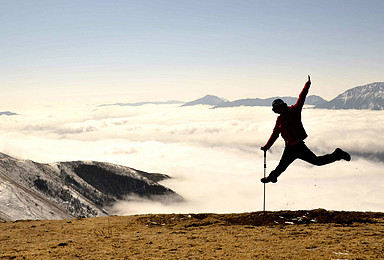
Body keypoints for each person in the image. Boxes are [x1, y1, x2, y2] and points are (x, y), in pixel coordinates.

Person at [260, 75, 351, 183]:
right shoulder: (279, 120)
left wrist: (307, 85)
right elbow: (275, 134)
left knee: (317, 161)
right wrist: (267, 146)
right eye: (275, 110)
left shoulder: (294, 110)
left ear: (282, 106)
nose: (277, 111)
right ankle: (272, 177)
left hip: (299, 146)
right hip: (289, 148)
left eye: (277, 109)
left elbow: (301, 97)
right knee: (281, 166)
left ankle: (337, 154)